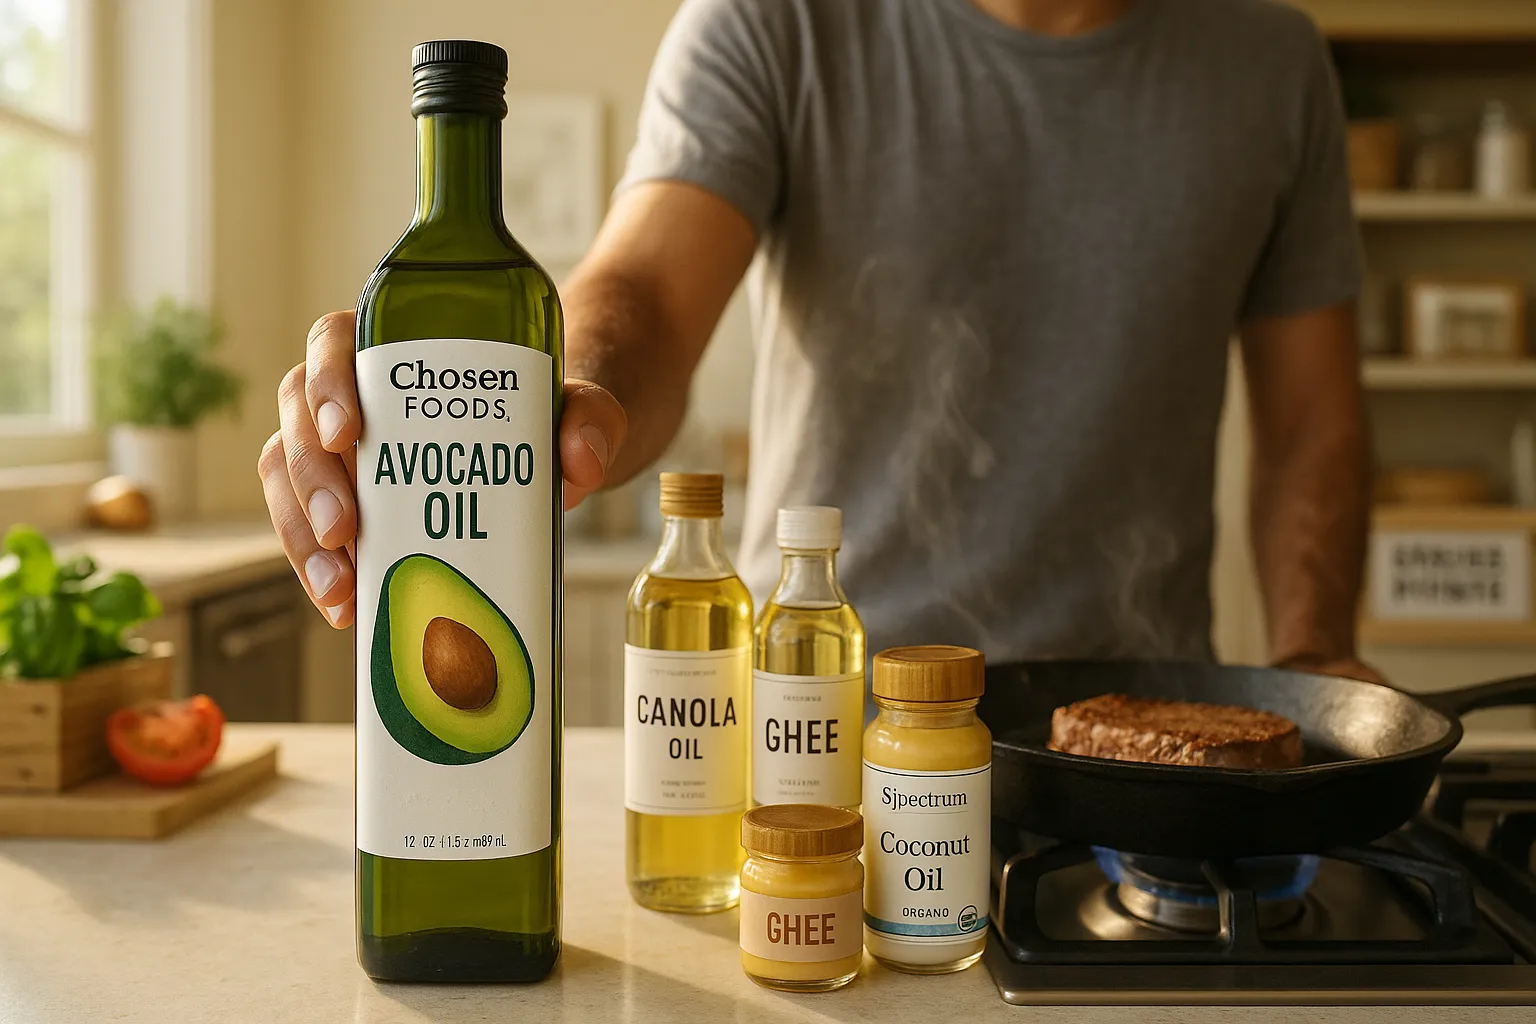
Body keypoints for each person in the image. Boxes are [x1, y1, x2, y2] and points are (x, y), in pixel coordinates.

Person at [258, 0, 1380, 682]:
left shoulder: (1276, 65)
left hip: (1137, 752)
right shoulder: (776, 21)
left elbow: (1313, 423)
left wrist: (1313, 666)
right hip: (817, 728)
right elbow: (643, 289)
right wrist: (546, 389)